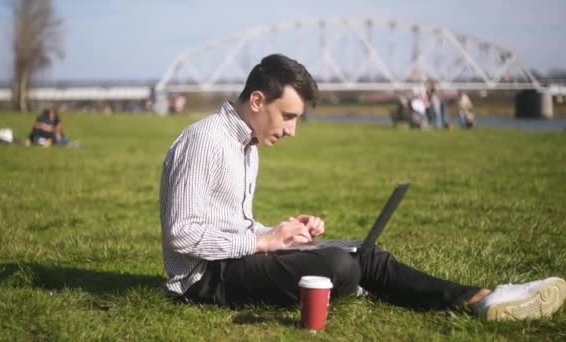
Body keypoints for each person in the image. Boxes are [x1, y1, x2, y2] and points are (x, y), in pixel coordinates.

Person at [159, 54, 565, 320]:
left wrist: (278, 232)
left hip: (234, 260)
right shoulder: (206, 140)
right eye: (288, 116)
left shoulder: (245, 143)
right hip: (203, 280)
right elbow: (182, 234)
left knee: (364, 252)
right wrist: (264, 244)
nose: (292, 130)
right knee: (339, 266)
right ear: (258, 101)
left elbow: (227, 223)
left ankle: (482, 299)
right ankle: (354, 280)